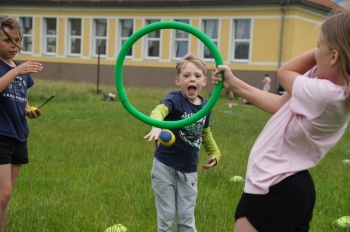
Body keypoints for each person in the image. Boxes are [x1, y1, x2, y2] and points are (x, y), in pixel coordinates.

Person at [211, 11, 350, 232]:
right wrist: (234, 83)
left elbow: (284, 72)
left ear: (334, 56)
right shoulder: (324, 87)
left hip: (274, 186)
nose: (314, 53)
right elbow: (279, 105)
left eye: (317, 47)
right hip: (290, 186)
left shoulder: (327, 94)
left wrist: (329, 41)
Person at [144, 53, 221, 232]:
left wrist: (215, 153)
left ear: (204, 81)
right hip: (164, 167)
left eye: (197, 76)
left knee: (186, 219)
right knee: (167, 217)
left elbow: (205, 132)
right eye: (186, 76)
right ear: (178, 81)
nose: (191, 79)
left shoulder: (206, 106)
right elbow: (159, 111)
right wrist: (157, 126)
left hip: (189, 171)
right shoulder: (174, 99)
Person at [0, 17, 43, 232]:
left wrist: (28, 109)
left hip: (19, 135)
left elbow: (20, 96)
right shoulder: (14, 69)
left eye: (17, 40)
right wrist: (16, 71)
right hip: (1, 135)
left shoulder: (19, 69)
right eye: (8, 41)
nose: (15, 46)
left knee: (5, 198)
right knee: (3, 194)